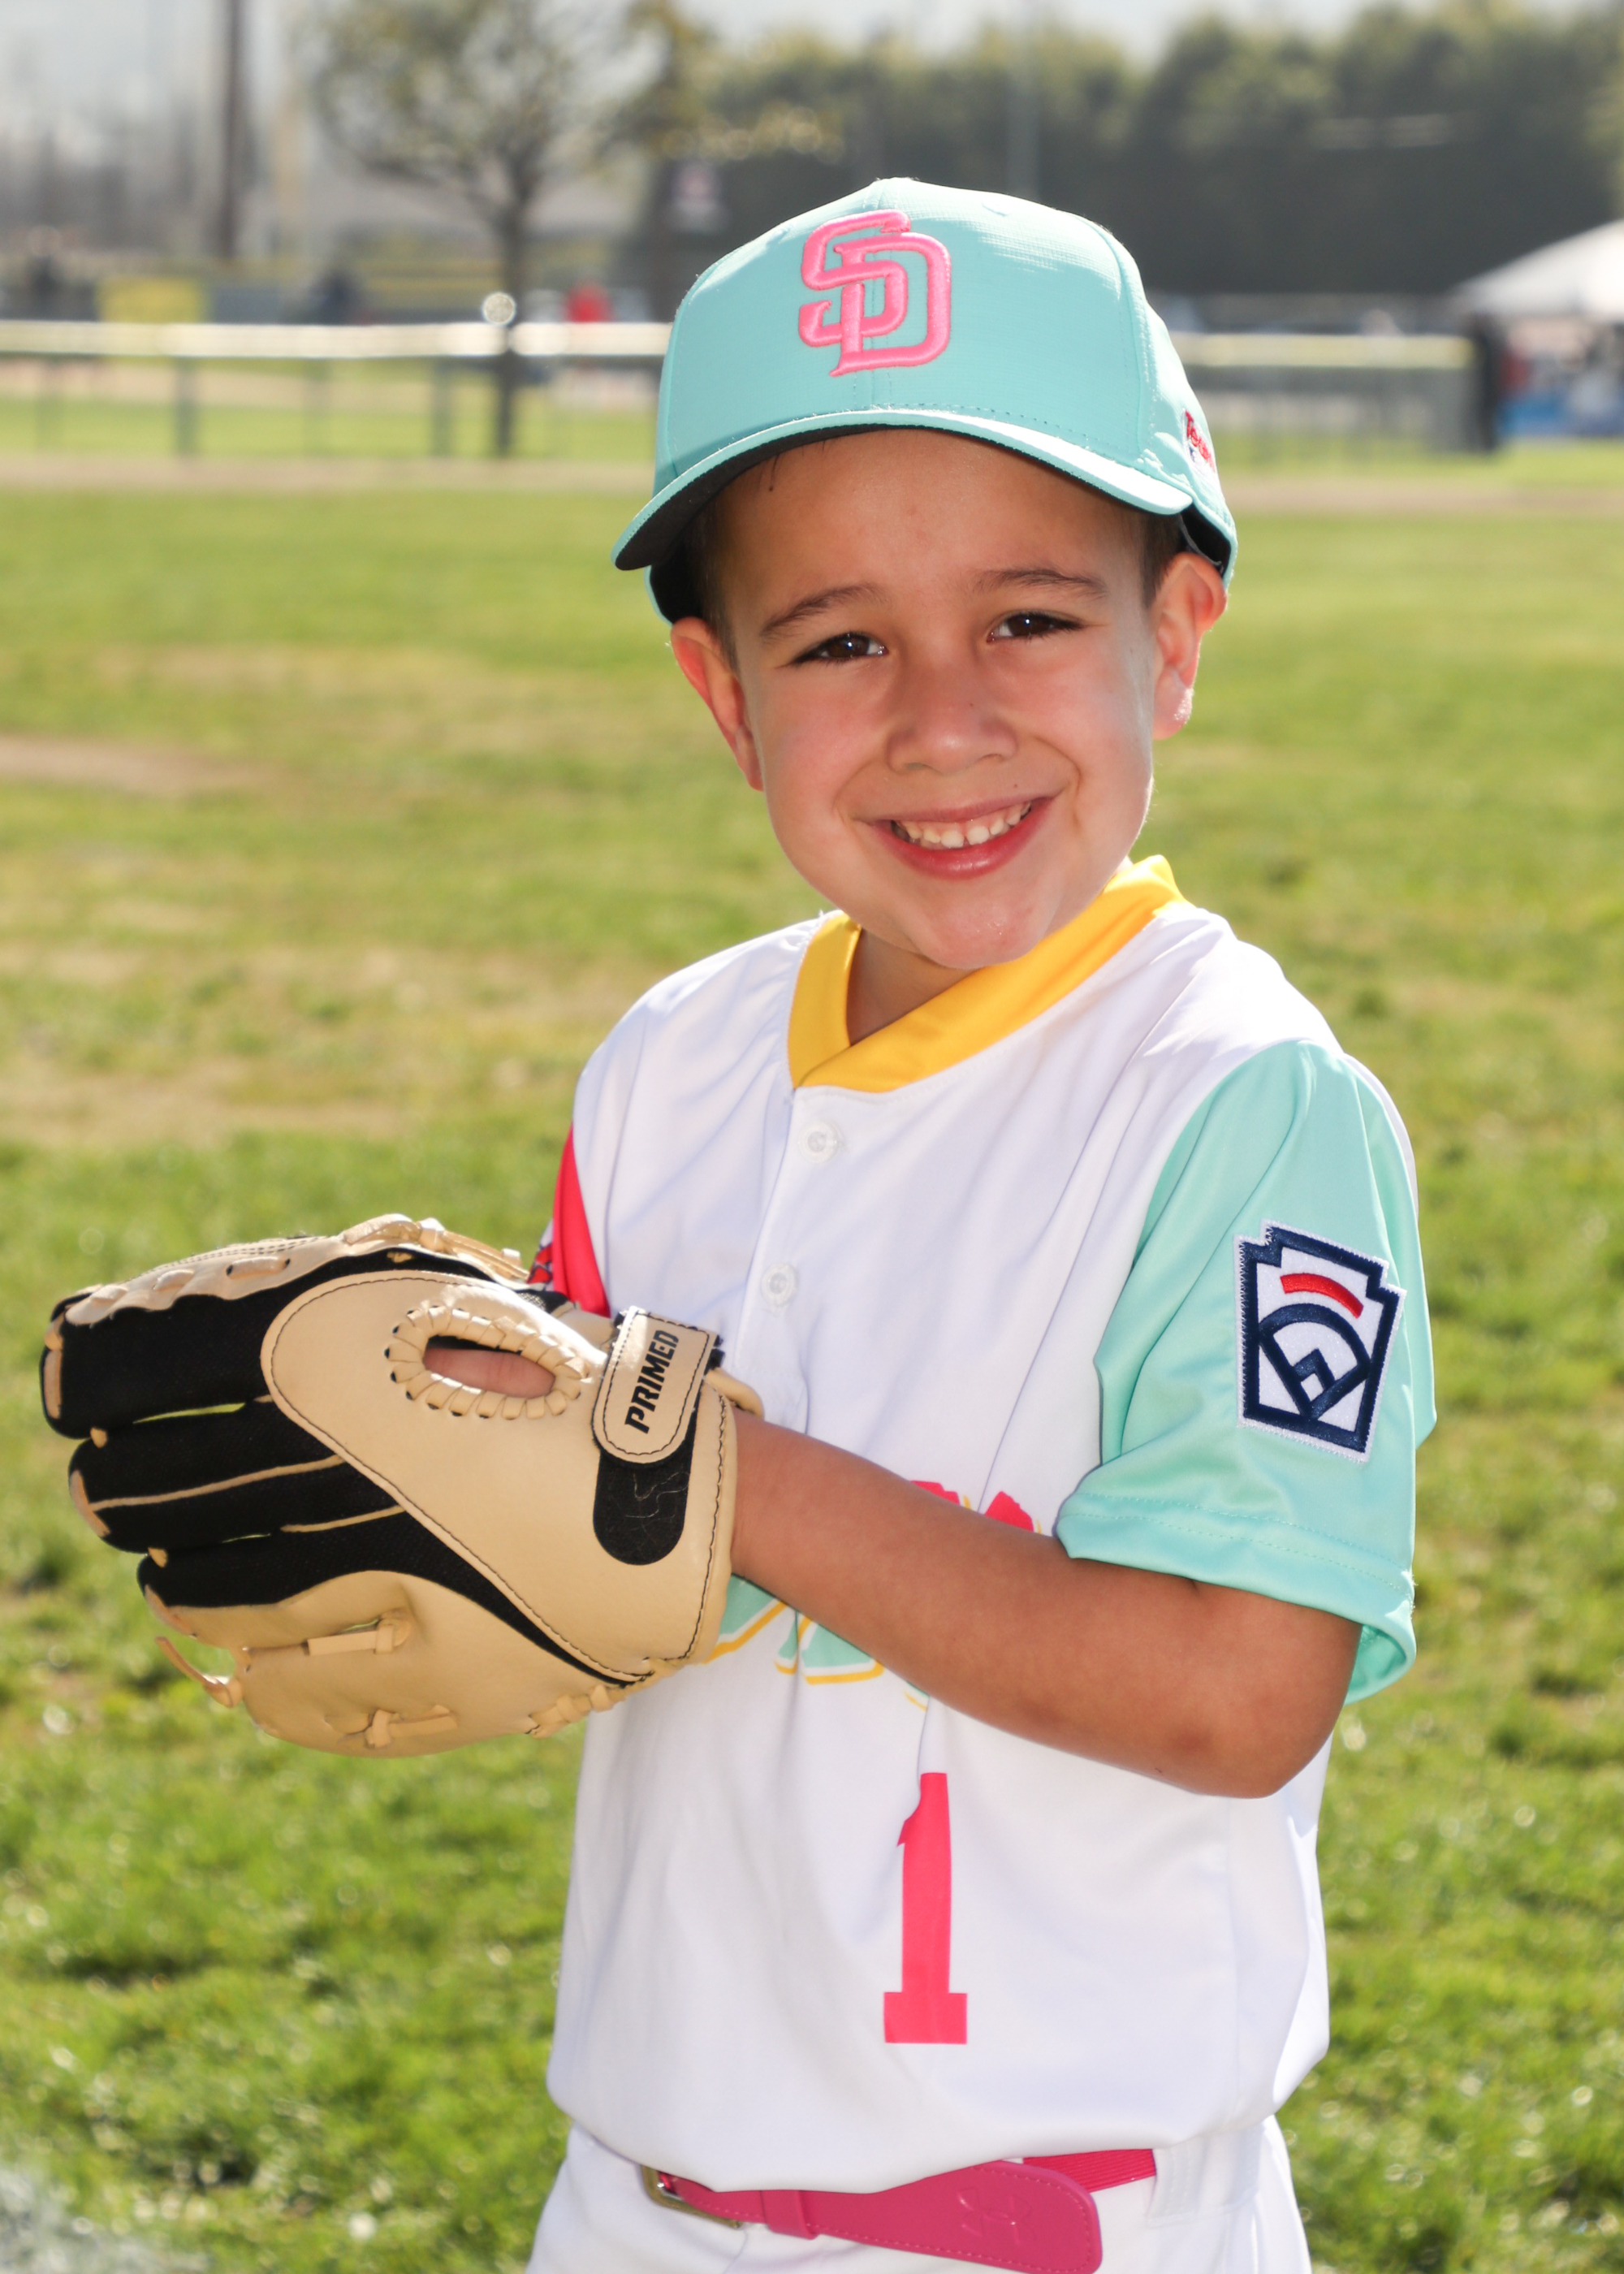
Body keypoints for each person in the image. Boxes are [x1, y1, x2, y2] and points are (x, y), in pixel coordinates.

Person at [411, 181, 1436, 2272]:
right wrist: (417, 1487)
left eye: (1028, 620)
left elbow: (1237, 1684)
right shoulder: (670, 1063)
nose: (942, 718)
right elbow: (590, 1566)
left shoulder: (1237, 1103)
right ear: (725, 694)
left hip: (1061, 2215)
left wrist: (711, 1461)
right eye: (840, 641)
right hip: (638, 2198)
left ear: (1173, 636)